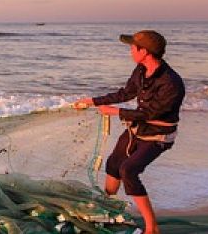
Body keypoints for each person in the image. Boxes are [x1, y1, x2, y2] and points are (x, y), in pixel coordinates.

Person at [73, 30, 184, 234]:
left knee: (129, 170)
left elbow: (150, 113)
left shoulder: (171, 82)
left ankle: (152, 227)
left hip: (158, 136)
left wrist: (115, 112)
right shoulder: (141, 70)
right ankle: (106, 208)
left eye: (133, 47)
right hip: (137, 130)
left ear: (145, 52)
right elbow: (126, 93)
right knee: (114, 164)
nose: (130, 51)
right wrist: (91, 101)